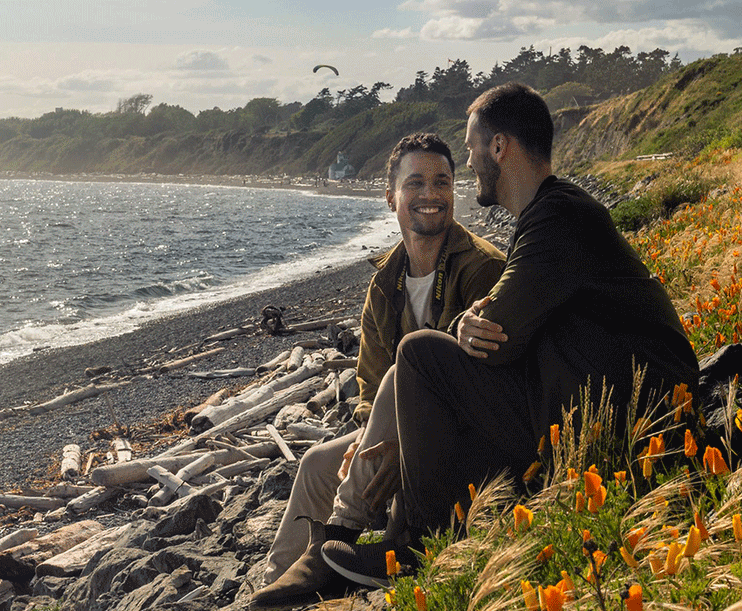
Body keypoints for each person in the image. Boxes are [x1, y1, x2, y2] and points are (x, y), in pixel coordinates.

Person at [320, 83, 699, 588]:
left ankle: (416, 548)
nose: (471, 161)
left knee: (419, 356)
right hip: (598, 404)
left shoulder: (559, 215)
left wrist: (464, 324)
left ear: (499, 146)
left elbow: (499, 336)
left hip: (628, 420)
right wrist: (476, 323)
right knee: (433, 372)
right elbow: (505, 321)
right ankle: (396, 536)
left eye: (474, 146)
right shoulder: (547, 216)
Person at [251, 133, 505, 605]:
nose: (430, 194)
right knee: (317, 463)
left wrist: (398, 444)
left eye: (442, 182)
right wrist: (370, 437)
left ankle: (342, 547)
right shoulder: (384, 281)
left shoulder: (483, 268)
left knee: (407, 362)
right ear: (391, 197)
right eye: (416, 183)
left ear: (454, 190)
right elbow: (370, 383)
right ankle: (278, 586)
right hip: (393, 430)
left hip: (462, 436)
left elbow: (487, 381)